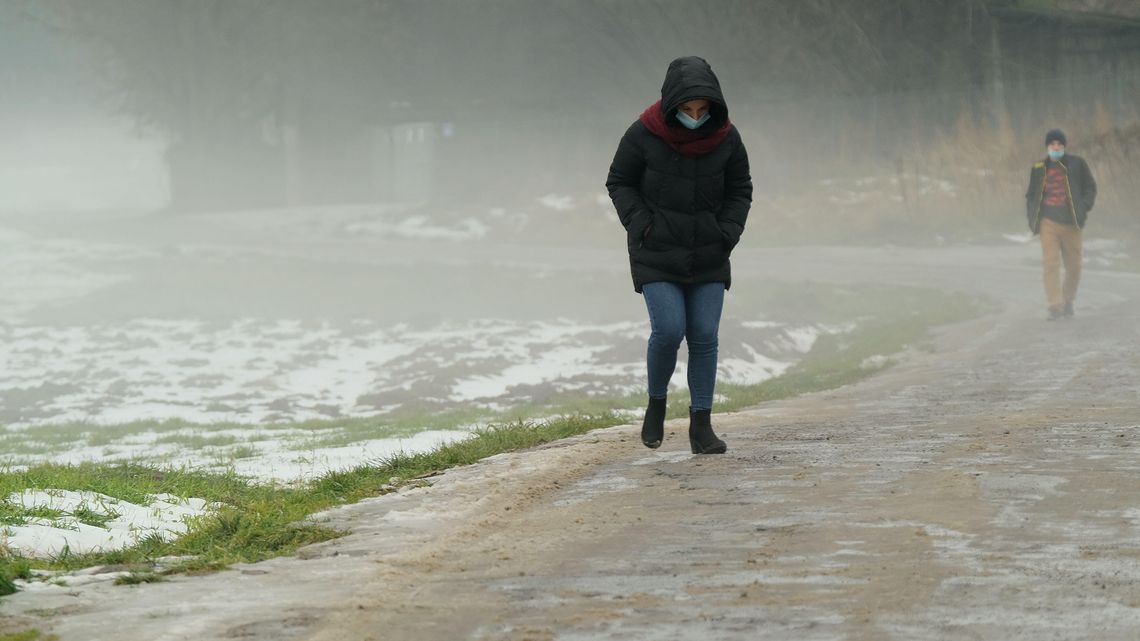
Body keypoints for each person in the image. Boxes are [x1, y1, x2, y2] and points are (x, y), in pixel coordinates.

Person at [605, 56, 752, 454]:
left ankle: (701, 427)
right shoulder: (643, 134)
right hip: (656, 251)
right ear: (672, 105)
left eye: (703, 110)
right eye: (687, 110)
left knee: (704, 336)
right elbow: (619, 181)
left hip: (709, 250)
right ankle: (656, 406)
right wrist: (641, 223)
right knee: (669, 330)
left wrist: (728, 231)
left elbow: (740, 189)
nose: (695, 117)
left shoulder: (727, 139)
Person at [1025, 128, 1097, 321]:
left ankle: (1067, 301)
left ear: (1064, 146)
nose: (1056, 147)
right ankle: (1054, 306)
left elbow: (1090, 187)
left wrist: (1084, 206)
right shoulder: (1039, 167)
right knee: (1050, 263)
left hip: (1072, 223)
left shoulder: (1077, 164)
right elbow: (1031, 194)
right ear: (1047, 147)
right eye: (1052, 144)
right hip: (1048, 222)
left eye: (1059, 144)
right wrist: (1033, 216)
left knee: (1074, 266)